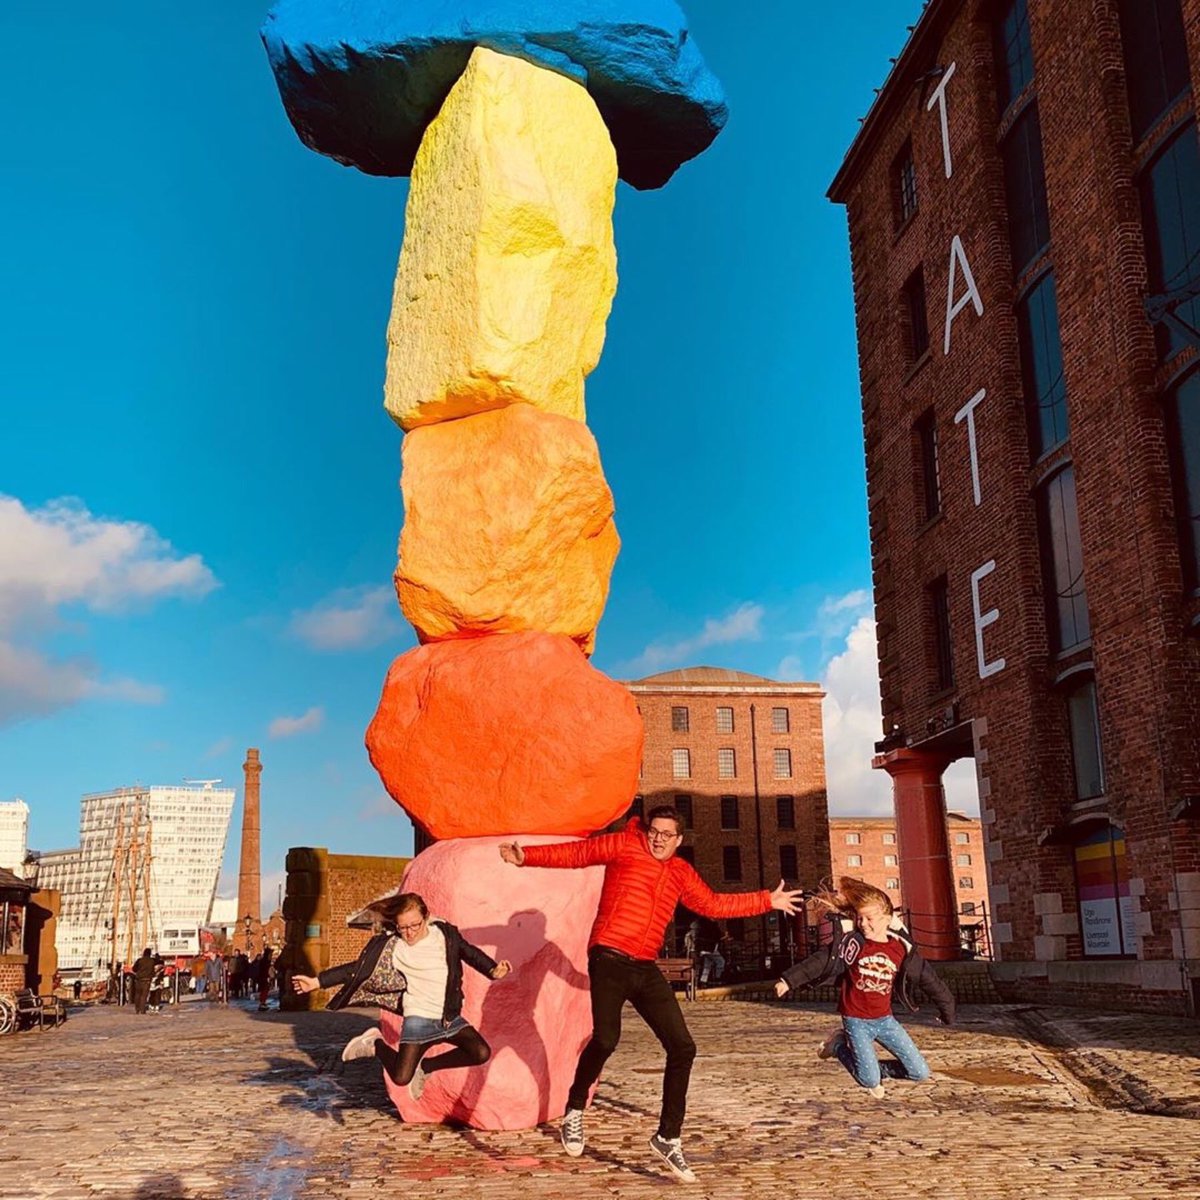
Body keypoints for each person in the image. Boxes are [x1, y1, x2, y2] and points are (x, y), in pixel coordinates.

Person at [499, 806, 804, 1184]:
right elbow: (578, 855)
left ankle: (667, 1136)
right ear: (647, 831)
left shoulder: (680, 873)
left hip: (645, 965)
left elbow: (713, 904)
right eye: (654, 832)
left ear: (678, 839)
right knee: (607, 1037)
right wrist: (525, 857)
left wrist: (764, 901)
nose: (658, 839)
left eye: (666, 834)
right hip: (608, 955)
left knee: (683, 1047)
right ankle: (574, 1110)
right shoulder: (624, 846)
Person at [291, 892, 512, 1101]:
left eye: (414, 925)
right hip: (418, 1017)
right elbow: (355, 969)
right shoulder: (394, 948)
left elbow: (470, 953)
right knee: (401, 1077)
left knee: (480, 1052)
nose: (409, 932)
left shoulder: (445, 935)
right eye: (403, 927)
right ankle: (375, 1044)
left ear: (426, 918)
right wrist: (317, 981)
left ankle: (426, 1067)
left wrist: (492, 970)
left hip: (448, 1015)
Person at [774, 877, 955, 1098]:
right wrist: (788, 980)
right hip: (856, 1020)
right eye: (860, 918)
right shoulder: (854, 943)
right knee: (868, 1080)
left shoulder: (901, 949)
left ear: (888, 919)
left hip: (885, 1020)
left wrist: (948, 1011)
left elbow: (930, 980)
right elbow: (821, 960)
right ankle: (839, 1047)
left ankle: (871, 1071)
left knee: (919, 1072)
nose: (863, 924)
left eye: (869, 918)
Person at [131, 948, 158, 1015]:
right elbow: (153, 970)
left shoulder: (139, 960)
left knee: (137, 994)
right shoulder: (152, 961)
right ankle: (142, 1010)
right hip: (147, 980)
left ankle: (137, 1009)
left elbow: (134, 969)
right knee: (144, 995)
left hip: (138, 979)